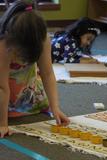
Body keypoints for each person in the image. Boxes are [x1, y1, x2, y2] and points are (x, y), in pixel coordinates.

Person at [0, 0, 70, 138]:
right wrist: (2, 123)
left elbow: (48, 73)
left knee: (34, 102)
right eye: (18, 54)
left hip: (25, 87)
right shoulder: (3, 44)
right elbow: (2, 87)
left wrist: (54, 107)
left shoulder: (42, 39)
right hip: (2, 87)